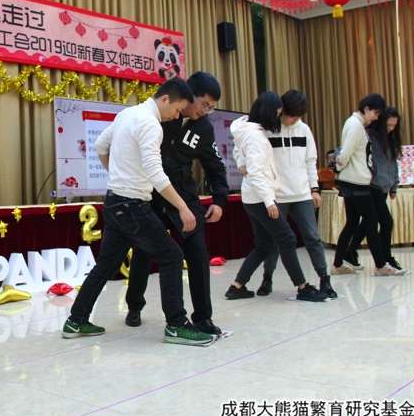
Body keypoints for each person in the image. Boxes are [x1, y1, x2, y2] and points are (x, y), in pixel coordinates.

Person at [62, 78, 215, 346]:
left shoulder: (127, 114)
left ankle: (76, 320)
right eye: (177, 109)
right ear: (165, 99)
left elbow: (100, 146)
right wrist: (183, 207)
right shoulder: (150, 124)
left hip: (114, 201)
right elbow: (156, 173)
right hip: (132, 205)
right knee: (171, 256)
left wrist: (116, 175)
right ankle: (177, 325)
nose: (176, 116)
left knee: (105, 265)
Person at [125, 71, 227, 335]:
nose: (205, 111)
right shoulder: (161, 116)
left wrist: (219, 199)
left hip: (184, 196)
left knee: (198, 254)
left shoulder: (204, 128)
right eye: (204, 104)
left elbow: (214, 165)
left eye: (210, 108)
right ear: (189, 96)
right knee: (143, 253)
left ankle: (203, 317)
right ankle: (134, 306)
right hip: (151, 195)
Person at [226, 92, 328, 302]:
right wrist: (269, 201)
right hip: (263, 197)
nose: (282, 118)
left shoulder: (250, 130)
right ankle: (301, 287)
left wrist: (313, 188)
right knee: (286, 239)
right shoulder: (259, 136)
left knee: (264, 244)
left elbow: (310, 160)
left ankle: (237, 286)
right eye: (280, 113)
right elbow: (254, 171)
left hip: (258, 196)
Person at [331, 94, 407, 277]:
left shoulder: (356, 124)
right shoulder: (356, 126)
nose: (376, 117)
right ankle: (381, 265)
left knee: (353, 223)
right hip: (358, 182)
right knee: (373, 222)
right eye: (376, 113)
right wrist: (338, 165)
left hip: (357, 180)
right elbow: (344, 153)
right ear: (366, 109)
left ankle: (339, 263)